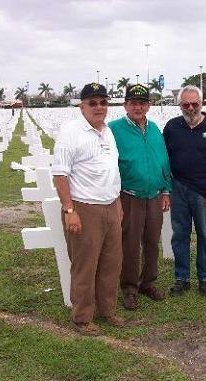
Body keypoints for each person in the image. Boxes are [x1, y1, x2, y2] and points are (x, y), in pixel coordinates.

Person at [51, 83, 125, 335]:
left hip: (111, 205)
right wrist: (70, 210)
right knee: (85, 265)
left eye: (103, 102)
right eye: (93, 103)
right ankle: (82, 317)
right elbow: (60, 175)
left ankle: (108, 310)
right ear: (81, 106)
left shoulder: (107, 131)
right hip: (85, 207)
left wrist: (118, 203)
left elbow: (112, 170)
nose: (99, 107)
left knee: (111, 263)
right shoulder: (71, 132)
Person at [108, 84, 172, 310]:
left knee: (152, 242)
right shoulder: (114, 129)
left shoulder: (154, 128)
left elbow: (163, 160)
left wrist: (166, 190)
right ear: (125, 105)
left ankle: (148, 282)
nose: (138, 107)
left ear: (149, 105)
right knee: (130, 243)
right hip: (129, 195)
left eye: (142, 103)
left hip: (154, 195)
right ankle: (129, 288)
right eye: (133, 103)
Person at [163, 85, 206, 296]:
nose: (190, 108)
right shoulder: (172, 127)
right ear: (180, 105)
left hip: (203, 190)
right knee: (180, 234)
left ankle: (204, 278)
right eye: (186, 104)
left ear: (202, 103)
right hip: (178, 188)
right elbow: (165, 159)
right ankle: (181, 278)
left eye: (195, 104)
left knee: (204, 235)